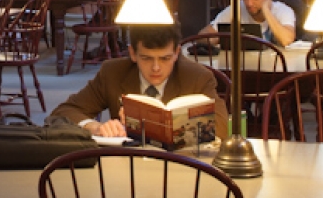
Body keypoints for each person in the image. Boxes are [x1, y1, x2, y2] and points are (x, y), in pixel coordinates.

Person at [49, 22, 226, 138]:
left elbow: (222, 127)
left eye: (165, 58)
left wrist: (164, 124)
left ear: (176, 53)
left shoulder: (197, 77)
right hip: (125, 169)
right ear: (132, 53)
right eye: (147, 58)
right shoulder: (113, 72)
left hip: (180, 170)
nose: (156, 67)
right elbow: (62, 113)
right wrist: (95, 127)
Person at [197, 0, 299, 47]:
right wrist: (223, 39)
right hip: (242, 69)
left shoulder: (283, 11)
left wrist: (266, 11)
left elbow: (287, 40)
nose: (249, 4)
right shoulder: (237, 8)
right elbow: (202, 37)